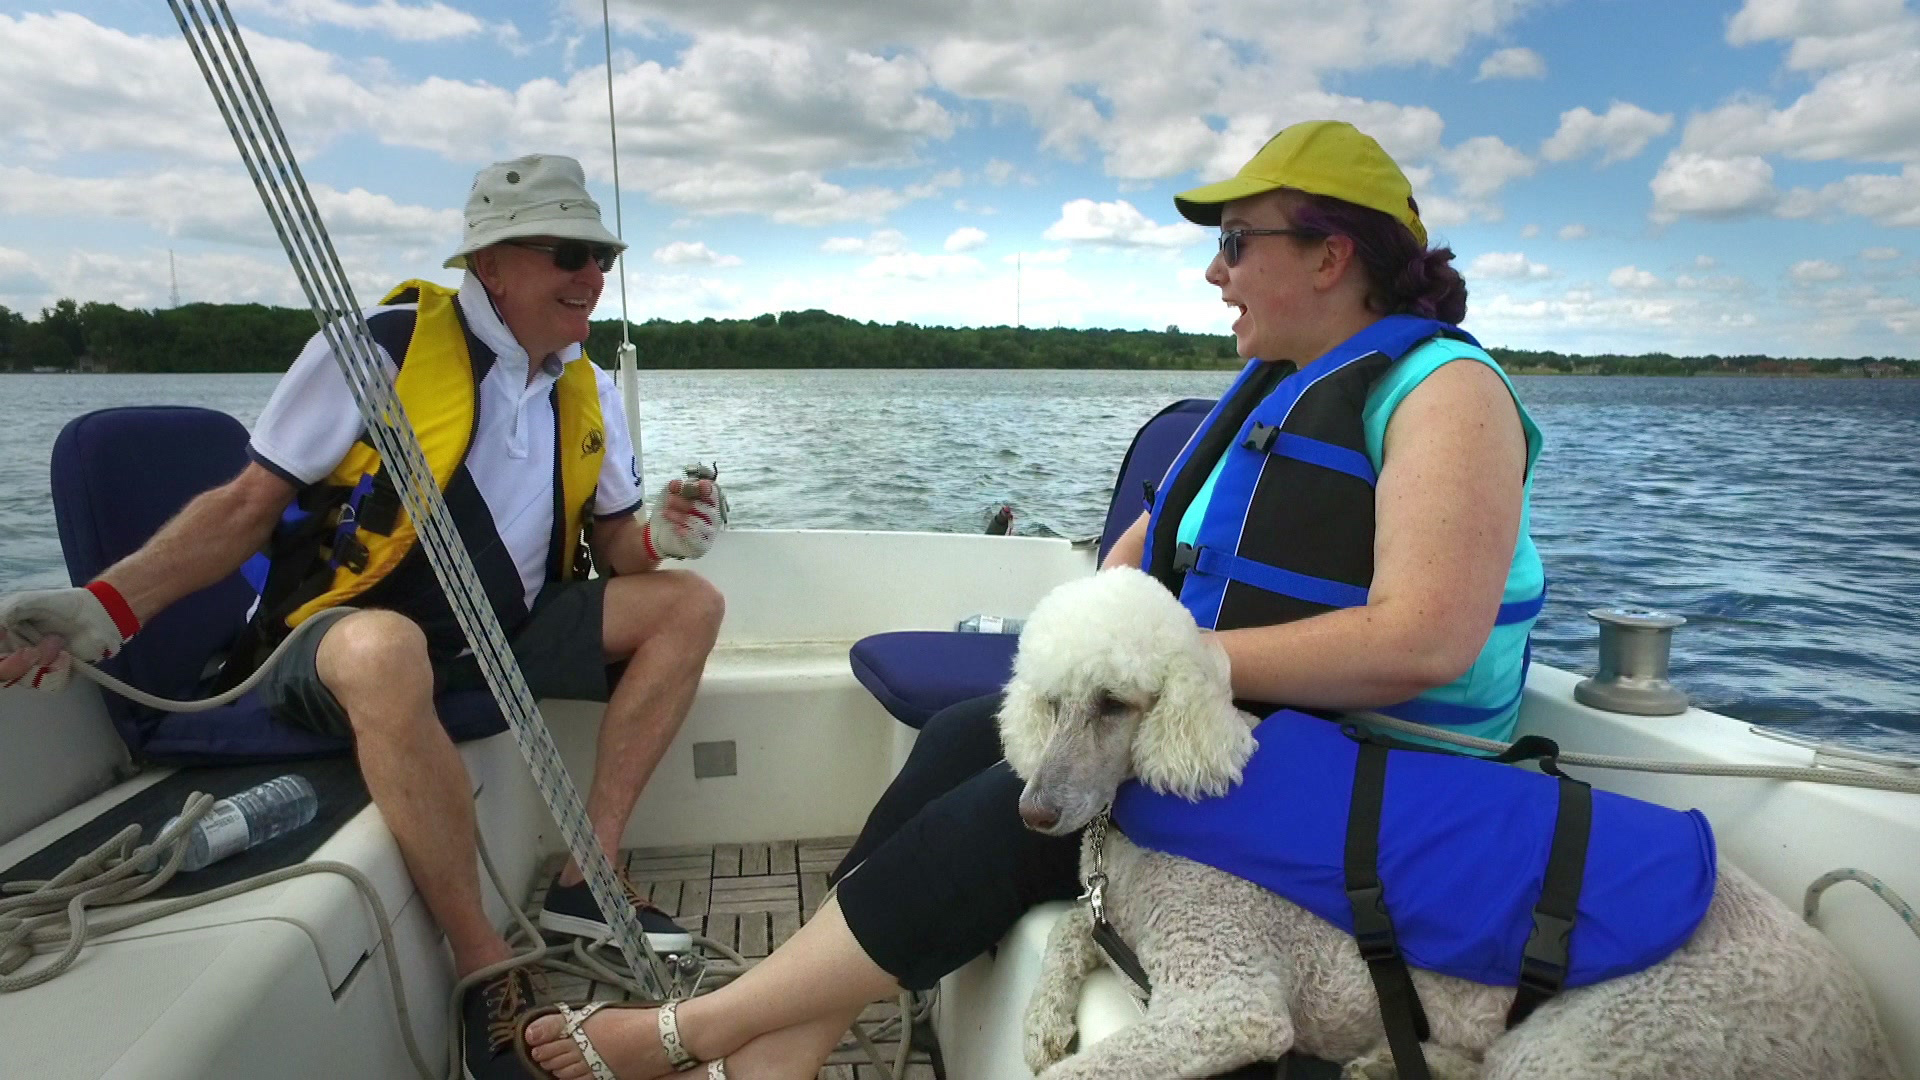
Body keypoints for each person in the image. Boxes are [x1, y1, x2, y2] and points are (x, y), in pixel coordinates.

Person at [515, 120, 1545, 1080]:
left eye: (1237, 242)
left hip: (1382, 779)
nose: (1215, 271)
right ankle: (789, 1041)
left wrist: (1178, 664)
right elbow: (1137, 558)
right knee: (963, 736)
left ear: (1330, 256)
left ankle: (699, 1031)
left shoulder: (1444, 390)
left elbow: (1427, 641)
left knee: (1018, 821)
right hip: (1253, 731)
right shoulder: (1275, 388)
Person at [0, 154, 730, 1080]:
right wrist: (106, 604)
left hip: (497, 633)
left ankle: (588, 877)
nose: (591, 275)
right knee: (387, 648)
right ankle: (487, 971)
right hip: (342, 639)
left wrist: (662, 534)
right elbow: (244, 507)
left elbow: (619, 545)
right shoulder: (379, 348)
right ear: (492, 264)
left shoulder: (581, 386)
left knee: (687, 607)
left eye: (603, 258)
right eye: (566, 253)